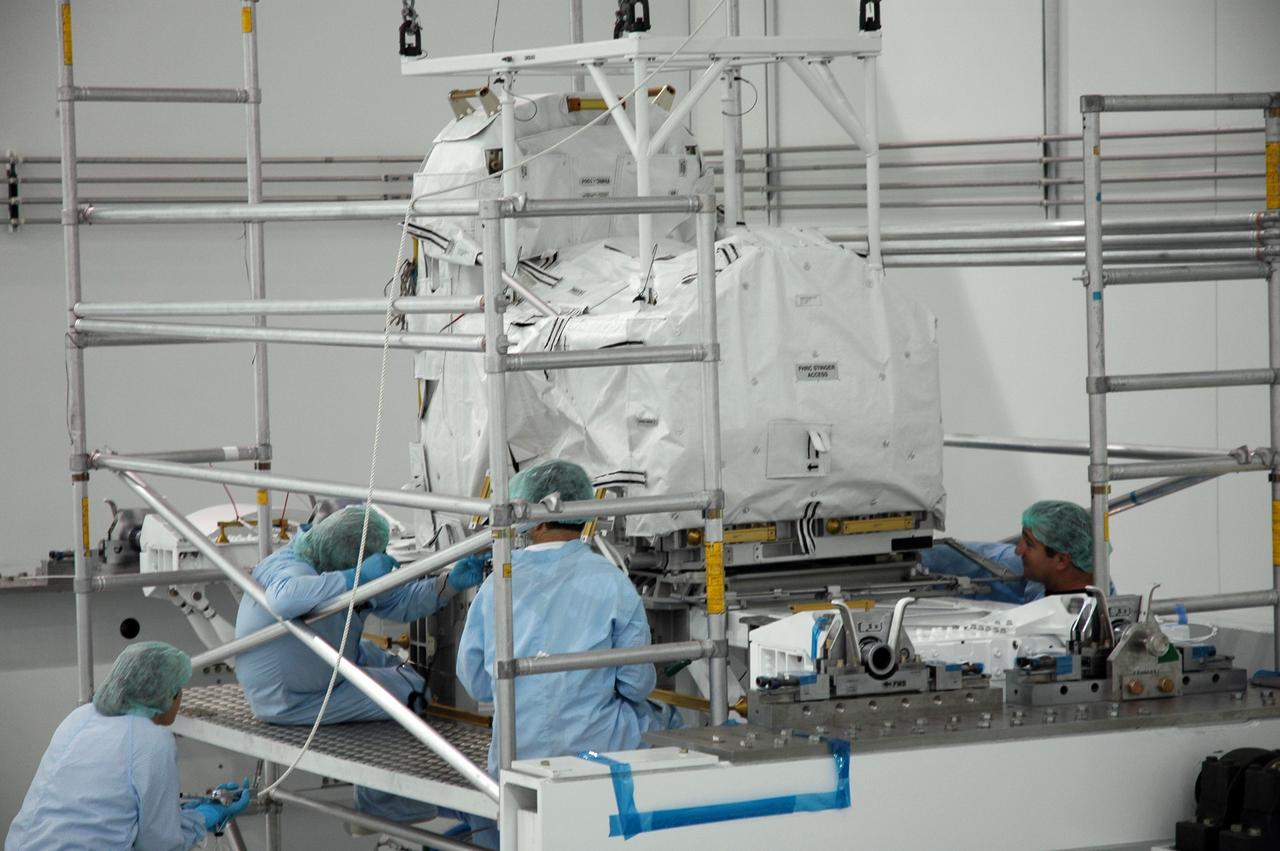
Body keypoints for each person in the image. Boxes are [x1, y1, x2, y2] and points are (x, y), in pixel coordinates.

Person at [452, 459, 670, 847]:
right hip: (599, 753)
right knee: (672, 722)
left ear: (535, 520)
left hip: (515, 757)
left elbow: (477, 684)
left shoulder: (496, 585)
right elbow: (637, 684)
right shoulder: (612, 581)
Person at [234, 504, 484, 823]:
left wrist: (452, 583)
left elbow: (399, 602)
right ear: (349, 557)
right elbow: (285, 599)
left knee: (386, 660)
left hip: (319, 663)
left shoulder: (327, 561)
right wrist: (357, 576)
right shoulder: (291, 569)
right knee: (413, 691)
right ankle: (387, 804)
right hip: (292, 700)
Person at [6, 642, 249, 851]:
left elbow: (96, 805)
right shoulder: (153, 740)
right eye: (178, 692)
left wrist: (180, 817)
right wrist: (202, 819)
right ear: (167, 696)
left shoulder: (80, 717)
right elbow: (159, 844)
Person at [919, 500, 1111, 604]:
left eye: (1028, 544)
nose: (1018, 550)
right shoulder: (1043, 572)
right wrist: (912, 558)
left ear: (1061, 560)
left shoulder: (1096, 615)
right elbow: (978, 559)